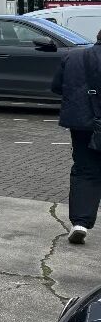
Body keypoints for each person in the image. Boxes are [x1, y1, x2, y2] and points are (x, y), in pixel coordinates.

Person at [51, 29, 101, 244]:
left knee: (84, 170)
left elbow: (56, 87)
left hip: (82, 122)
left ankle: (80, 222)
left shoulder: (73, 56)